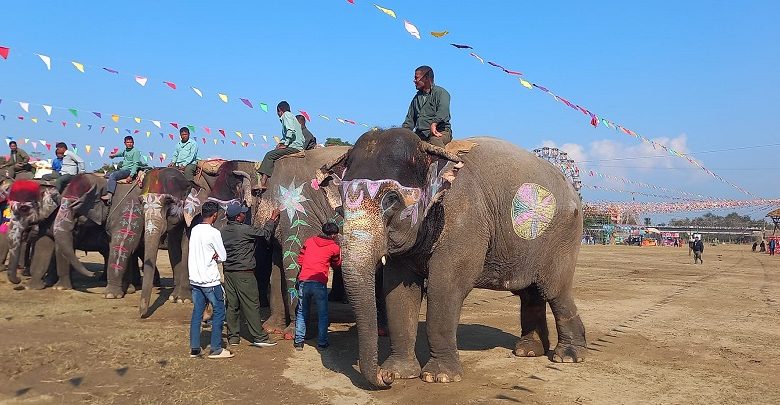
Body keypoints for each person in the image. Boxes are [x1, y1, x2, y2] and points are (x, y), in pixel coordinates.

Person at [221, 202, 281, 347]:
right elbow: (265, 233)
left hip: (228, 273)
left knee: (232, 305)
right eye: (242, 213)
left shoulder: (223, 230)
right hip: (244, 275)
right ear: (238, 218)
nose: (245, 214)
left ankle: (233, 337)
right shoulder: (244, 230)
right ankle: (259, 337)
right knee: (252, 305)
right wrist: (272, 219)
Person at [188, 201, 232, 359]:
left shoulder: (194, 230)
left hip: (195, 280)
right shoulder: (214, 233)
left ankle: (195, 348)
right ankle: (216, 348)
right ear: (214, 216)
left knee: (197, 314)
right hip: (210, 281)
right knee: (219, 311)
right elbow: (223, 256)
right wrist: (216, 255)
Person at [294, 222, 342, 351]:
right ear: (333, 235)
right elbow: (337, 264)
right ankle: (322, 342)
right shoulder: (334, 247)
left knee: (302, 312)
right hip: (319, 283)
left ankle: (299, 341)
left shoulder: (309, 241)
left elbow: (300, 259)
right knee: (323, 314)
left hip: (304, 280)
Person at [254, 101, 305, 192]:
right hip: (296, 145)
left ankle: (263, 182)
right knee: (275, 151)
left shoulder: (286, 115)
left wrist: (285, 144)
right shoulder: (292, 117)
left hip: (294, 147)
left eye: (277, 112)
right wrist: (281, 142)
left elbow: (290, 131)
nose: (277, 114)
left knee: (269, 155)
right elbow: (289, 135)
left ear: (279, 110)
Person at [402, 65, 452, 147]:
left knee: (435, 141)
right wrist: (402, 134)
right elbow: (409, 121)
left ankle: (443, 160)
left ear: (426, 78)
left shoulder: (441, 93)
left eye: (416, 78)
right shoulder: (416, 98)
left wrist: (434, 124)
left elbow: (443, 112)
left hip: (440, 132)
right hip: (420, 135)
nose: (414, 81)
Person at [101, 136, 143, 203]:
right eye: (128, 142)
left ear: (133, 143)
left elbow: (136, 164)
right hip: (122, 170)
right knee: (107, 175)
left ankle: (109, 195)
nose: (129, 144)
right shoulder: (126, 150)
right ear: (125, 143)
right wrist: (113, 155)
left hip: (129, 171)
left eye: (131, 142)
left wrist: (131, 176)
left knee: (113, 176)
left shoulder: (135, 152)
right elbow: (121, 153)